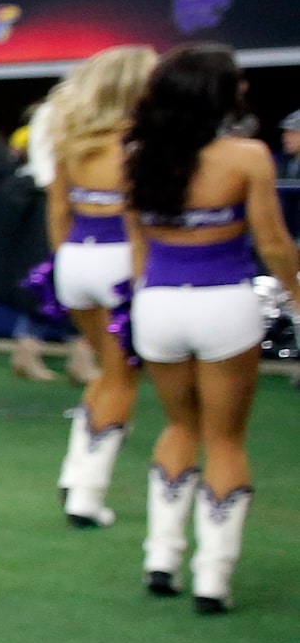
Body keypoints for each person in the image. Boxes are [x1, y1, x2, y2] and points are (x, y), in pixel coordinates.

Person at [126, 44, 300, 612]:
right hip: (224, 303)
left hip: (157, 303)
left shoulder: (136, 155)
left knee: (179, 426)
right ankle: (212, 577)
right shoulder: (248, 156)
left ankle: (161, 557)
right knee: (225, 439)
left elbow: (138, 249)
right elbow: (273, 243)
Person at [38, 48, 156, 528]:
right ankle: (87, 494)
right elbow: (141, 222)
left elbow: (57, 211)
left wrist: (63, 260)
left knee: (106, 372)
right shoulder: (139, 145)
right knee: (122, 376)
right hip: (119, 260)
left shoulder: (73, 137)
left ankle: (75, 472)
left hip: (73, 259)